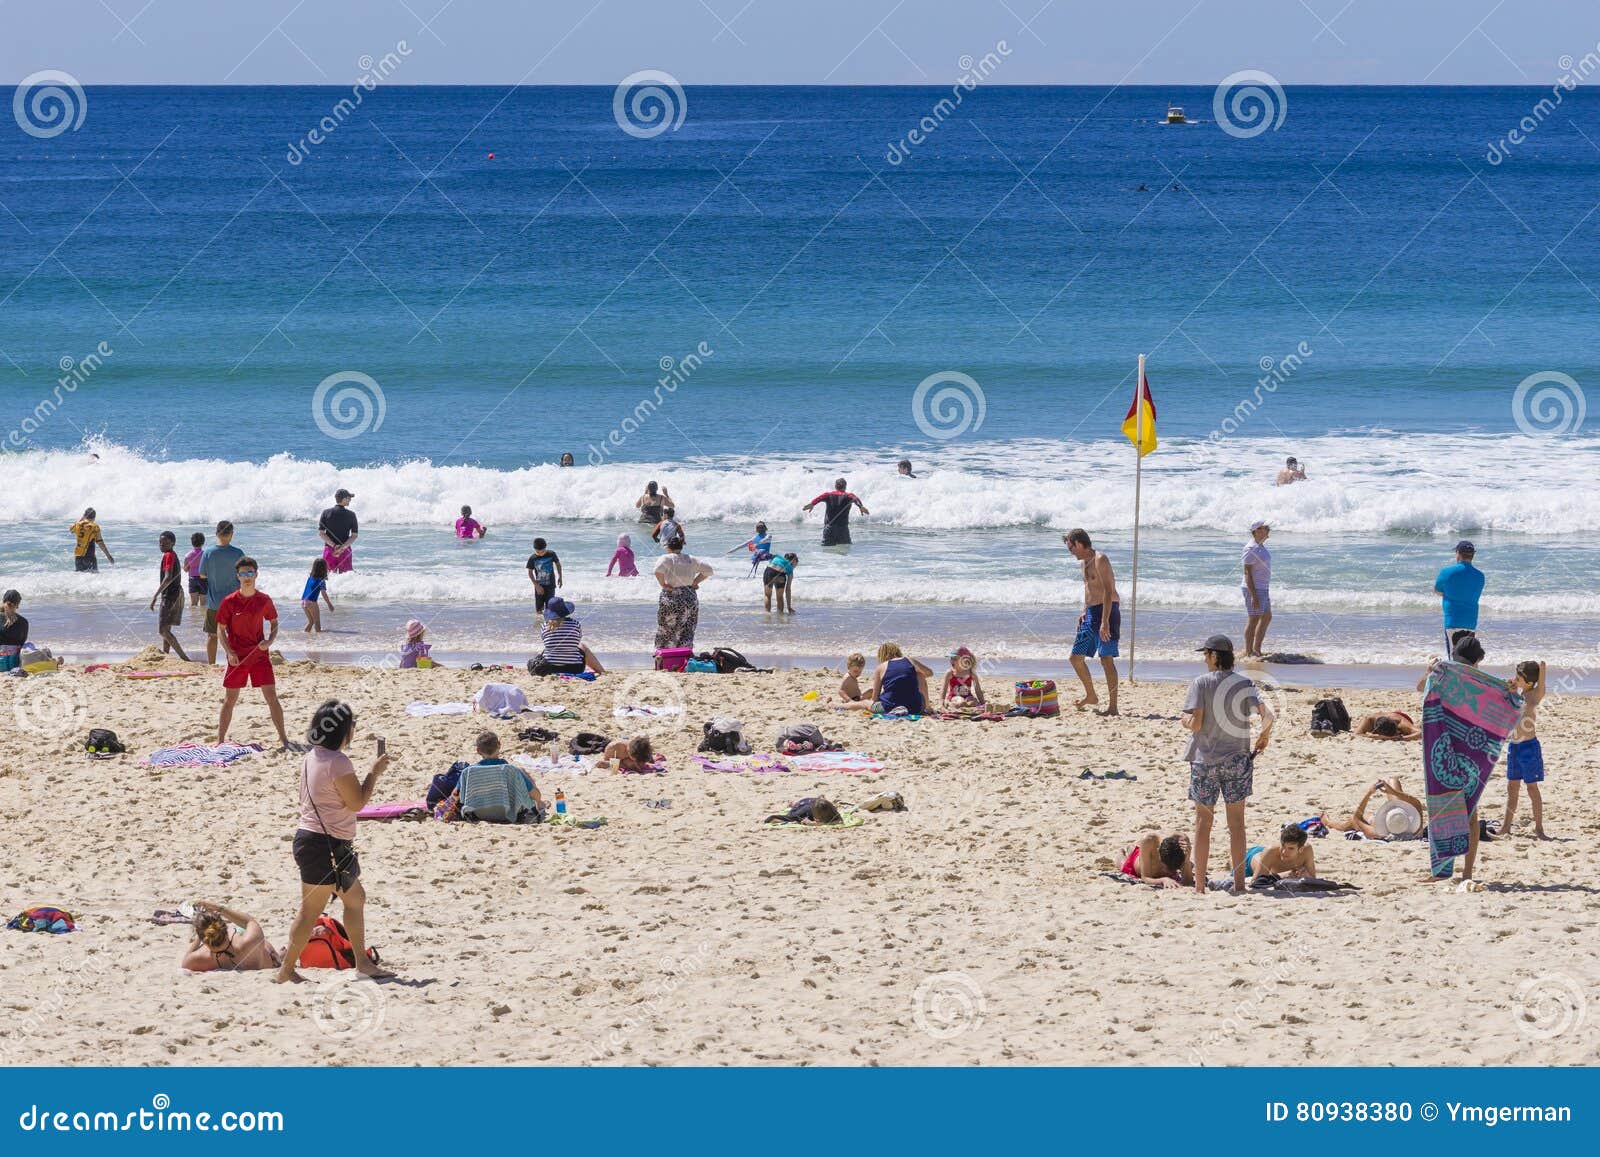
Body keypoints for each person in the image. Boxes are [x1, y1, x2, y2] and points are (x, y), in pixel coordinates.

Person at [275, 700, 392, 983]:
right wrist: (374, 773)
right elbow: (357, 803)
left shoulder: (312, 756)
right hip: (324, 845)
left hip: (318, 841)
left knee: (355, 899)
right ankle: (286, 971)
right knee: (310, 910)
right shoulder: (338, 762)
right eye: (352, 726)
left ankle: (362, 962)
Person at [1181, 634, 1274, 894]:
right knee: (1237, 825)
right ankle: (1240, 885)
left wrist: (1185, 722)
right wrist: (1263, 737)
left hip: (1205, 761)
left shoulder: (1201, 683)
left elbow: (1197, 723)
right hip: (1237, 760)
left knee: (1203, 825)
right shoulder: (1244, 683)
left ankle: (1199, 886)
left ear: (1213, 655)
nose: (1204, 660)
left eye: (1205, 655)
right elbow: (1269, 714)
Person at [215, 556, 290, 749]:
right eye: (243, 573)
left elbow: (274, 623)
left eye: (250, 573)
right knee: (230, 699)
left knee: (272, 697)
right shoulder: (229, 602)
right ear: (237, 576)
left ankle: (284, 739)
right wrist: (229, 652)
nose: (247, 576)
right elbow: (220, 629)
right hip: (237, 657)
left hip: (259, 654)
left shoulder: (264, 600)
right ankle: (220, 741)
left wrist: (269, 641)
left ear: (256, 574)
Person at [1063, 529, 1120, 715]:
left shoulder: (1100, 559)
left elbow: (1108, 591)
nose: (1070, 551)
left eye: (1071, 547)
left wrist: (1104, 621)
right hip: (1090, 614)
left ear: (1079, 543)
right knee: (1075, 658)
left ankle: (1113, 707)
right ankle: (1091, 696)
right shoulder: (1083, 563)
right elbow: (1089, 589)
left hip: (1107, 612)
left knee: (1106, 659)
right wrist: (1085, 610)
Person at [1502, 660, 1548, 839]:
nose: (1514, 679)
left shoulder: (1534, 696)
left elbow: (1541, 686)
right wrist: (1509, 690)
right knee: (1512, 788)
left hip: (1529, 748)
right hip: (1514, 747)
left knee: (1531, 788)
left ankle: (1539, 828)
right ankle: (1506, 827)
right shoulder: (1516, 694)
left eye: (1518, 678)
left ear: (1528, 682)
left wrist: (1542, 669)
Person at [459, 730, 546, 822]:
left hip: (479, 814)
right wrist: (529, 778)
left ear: (478, 751)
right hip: (509, 813)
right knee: (523, 774)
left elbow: (459, 796)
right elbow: (536, 795)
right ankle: (541, 804)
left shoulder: (468, 772)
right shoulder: (512, 770)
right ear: (499, 745)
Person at [180, 902, 282, 972]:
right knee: (257, 941)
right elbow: (249, 921)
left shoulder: (199, 959)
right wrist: (218, 907)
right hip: (269, 961)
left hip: (219, 957)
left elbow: (185, 962)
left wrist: (199, 938)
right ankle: (279, 956)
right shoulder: (250, 941)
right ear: (224, 927)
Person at [1321, 777, 1426, 841]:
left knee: (1355, 821)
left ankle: (1328, 822)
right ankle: (1389, 788)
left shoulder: (1377, 833)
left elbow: (1357, 817)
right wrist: (1392, 791)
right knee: (1392, 781)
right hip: (1398, 823)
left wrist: (1369, 793)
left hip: (1385, 825)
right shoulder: (1416, 829)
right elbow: (1415, 801)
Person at [654, 536, 712, 649]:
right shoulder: (691, 558)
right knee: (688, 628)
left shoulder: (667, 558)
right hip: (689, 596)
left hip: (672, 596)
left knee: (667, 627)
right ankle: (683, 655)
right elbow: (709, 570)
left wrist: (663, 584)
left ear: (668, 547)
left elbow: (657, 570)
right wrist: (695, 582)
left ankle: (666, 655)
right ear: (681, 547)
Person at [199, 521, 244, 665]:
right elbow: (244, 575)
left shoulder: (208, 552)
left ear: (216, 533)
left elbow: (202, 575)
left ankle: (211, 664)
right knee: (233, 636)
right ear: (231, 534)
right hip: (234, 602)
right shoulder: (238, 553)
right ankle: (233, 662)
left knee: (212, 636)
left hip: (214, 602)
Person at [528, 597, 605, 675]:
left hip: (550, 668)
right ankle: (600, 670)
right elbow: (577, 640)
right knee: (582, 646)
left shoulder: (544, 626)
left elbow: (545, 641)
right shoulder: (575, 623)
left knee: (543, 650)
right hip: (575, 668)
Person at [1434, 540, 1484, 657]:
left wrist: (1448, 594)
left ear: (1458, 553)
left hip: (1453, 621)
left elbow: (1437, 590)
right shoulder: (1480, 576)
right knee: (1468, 658)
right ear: (1473, 555)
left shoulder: (1447, 572)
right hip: (1471, 621)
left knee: (1454, 658)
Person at [148, 530, 190, 661]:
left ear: (173, 543)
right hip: (177, 593)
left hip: (170, 596)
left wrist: (155, 595)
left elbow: (168, 578)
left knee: (162, 630)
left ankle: (184, 658)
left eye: (165, 542)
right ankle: (166, 656)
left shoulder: (168, 555)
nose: (162, 544)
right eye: (160, 542)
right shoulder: (172, 554)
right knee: (166, 628)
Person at [1234, 824, 1316, 880]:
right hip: (1250, 860)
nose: (1284, 852)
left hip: (1267, 856)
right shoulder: (1270, 851)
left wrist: (1306, 875)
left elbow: (1313, 877)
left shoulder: (1307, 850)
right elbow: (1256, 881)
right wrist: (1280, 875)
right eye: (1283, 846)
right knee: (1234, 863)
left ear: (1300, 849)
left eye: (1290, 848)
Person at [870, 642, 931, 715]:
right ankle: (928, 707)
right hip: (915, 708)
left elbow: (874, 698)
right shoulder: (910, 660)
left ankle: (854, 704)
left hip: (889, 707)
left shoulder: (881, 667)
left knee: (866, 704)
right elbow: (929, 673)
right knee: (920, 674)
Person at [803, 478, 868, 547]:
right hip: (843, 529)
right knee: (844, 550)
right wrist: (860, 506)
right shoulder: (849, 496)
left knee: (827, 551)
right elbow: (855, 498)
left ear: (835, 486)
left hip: (829, 529)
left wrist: (812, 504)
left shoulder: (828, 495)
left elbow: (819, 498)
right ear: (845, 486)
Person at [1119, 832, 1194, 888]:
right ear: (1159, 855)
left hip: (1146, 853)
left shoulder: (1182, 845)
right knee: (1122, 862)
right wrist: (1163, 880)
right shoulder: (1148, 840)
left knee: (1135, 850)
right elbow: (1145, 877)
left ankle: (1131, 848)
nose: (1169, 872)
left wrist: (1186, 861)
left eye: (1173, 870)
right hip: (1136, 865)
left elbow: (1188, 882)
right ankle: (1123, 851)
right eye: (1165, 868)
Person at [1242, 521, 1272, 659]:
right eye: (1264, 528)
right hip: (1254, 589)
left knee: (1266, 617)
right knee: (1253, 619)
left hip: (1263, 588)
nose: (1267, 529)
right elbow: (1247, 573)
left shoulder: (1260, 546)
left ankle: (1257, 649)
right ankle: (1248, 652)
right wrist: (1253, 595)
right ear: (1256, 531)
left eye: (1266, 527)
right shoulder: (1251, 548)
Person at [318, 488, 359, 574]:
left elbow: (321, 534)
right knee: (345, 578)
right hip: (345, 551)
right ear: (344, 499)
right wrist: (343, 547)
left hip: (329, 550)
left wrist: (334, 545)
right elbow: (354, 535)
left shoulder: (325, 513)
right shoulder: (351, 515)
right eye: (349, 498)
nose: (350, 500)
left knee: (326, 576)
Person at [526, 537, 563, 615]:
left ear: (545, 548)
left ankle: (548, 623)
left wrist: (560, 577)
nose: (540, 554)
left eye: (542, 551)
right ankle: (539, 623)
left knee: (550, 606)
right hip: (539, 586)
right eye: (538, 552)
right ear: (534, 549)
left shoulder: (551, 554)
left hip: (551, 585)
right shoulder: (533, 558)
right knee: (539, 608)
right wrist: (536, 586)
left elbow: (558, 564)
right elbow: (530, 572)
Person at [70, 507, 113, 571]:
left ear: (85, 515)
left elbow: (71, 529)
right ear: (94, 517)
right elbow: (100, 542)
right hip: (89, 557)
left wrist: (82, 519)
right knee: (94, 578)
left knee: (80, 579)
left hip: (78, 558)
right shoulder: (94, 527)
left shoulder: (77, 525)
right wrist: (109, 556)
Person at [300, 557, 332, 632]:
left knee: (311, 622)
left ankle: (305, 636)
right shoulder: (321, 581)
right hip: (312, 602)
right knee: (317, 622)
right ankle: (319, 641)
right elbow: (324, 594)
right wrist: (329, 604)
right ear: (324, 569)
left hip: (304, 601)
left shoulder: (310, 577)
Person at [0, 589, 28, 674]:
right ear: (18, 605)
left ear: (3, 601)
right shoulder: (23, 621)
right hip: (15, 664)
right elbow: (22, 643)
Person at [1353, 710, 1420, 740]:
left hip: (1399, 716)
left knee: (1409, 729)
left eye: (1397, 732)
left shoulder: (1401, 723)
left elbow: (1420, 733)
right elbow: (1356, 734)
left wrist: (1401, 738)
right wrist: (1375, 737)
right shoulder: (1368, 720)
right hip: (1385, 719)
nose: (1398, 733)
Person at [184, 532, 207, 608]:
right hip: (203, 579)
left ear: (192, 543)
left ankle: (193, 619)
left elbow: (185, 569)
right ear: (203, 542)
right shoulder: (205, 554)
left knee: (193, 603)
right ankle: (201, 619)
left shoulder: (188, 555)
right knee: (203, 604)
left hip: (192, 579)